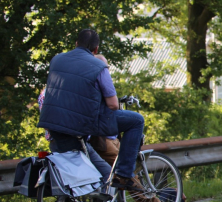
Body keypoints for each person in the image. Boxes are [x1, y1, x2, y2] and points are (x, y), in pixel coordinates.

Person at [38, 29, 145, 193]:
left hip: (53, 125)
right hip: (81, 125)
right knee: (136, 120)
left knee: (67, 173)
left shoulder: (56, 61)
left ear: (76, 43)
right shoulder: (99, 66)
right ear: (96, 49)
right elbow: (113, 105)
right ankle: (124, 174)